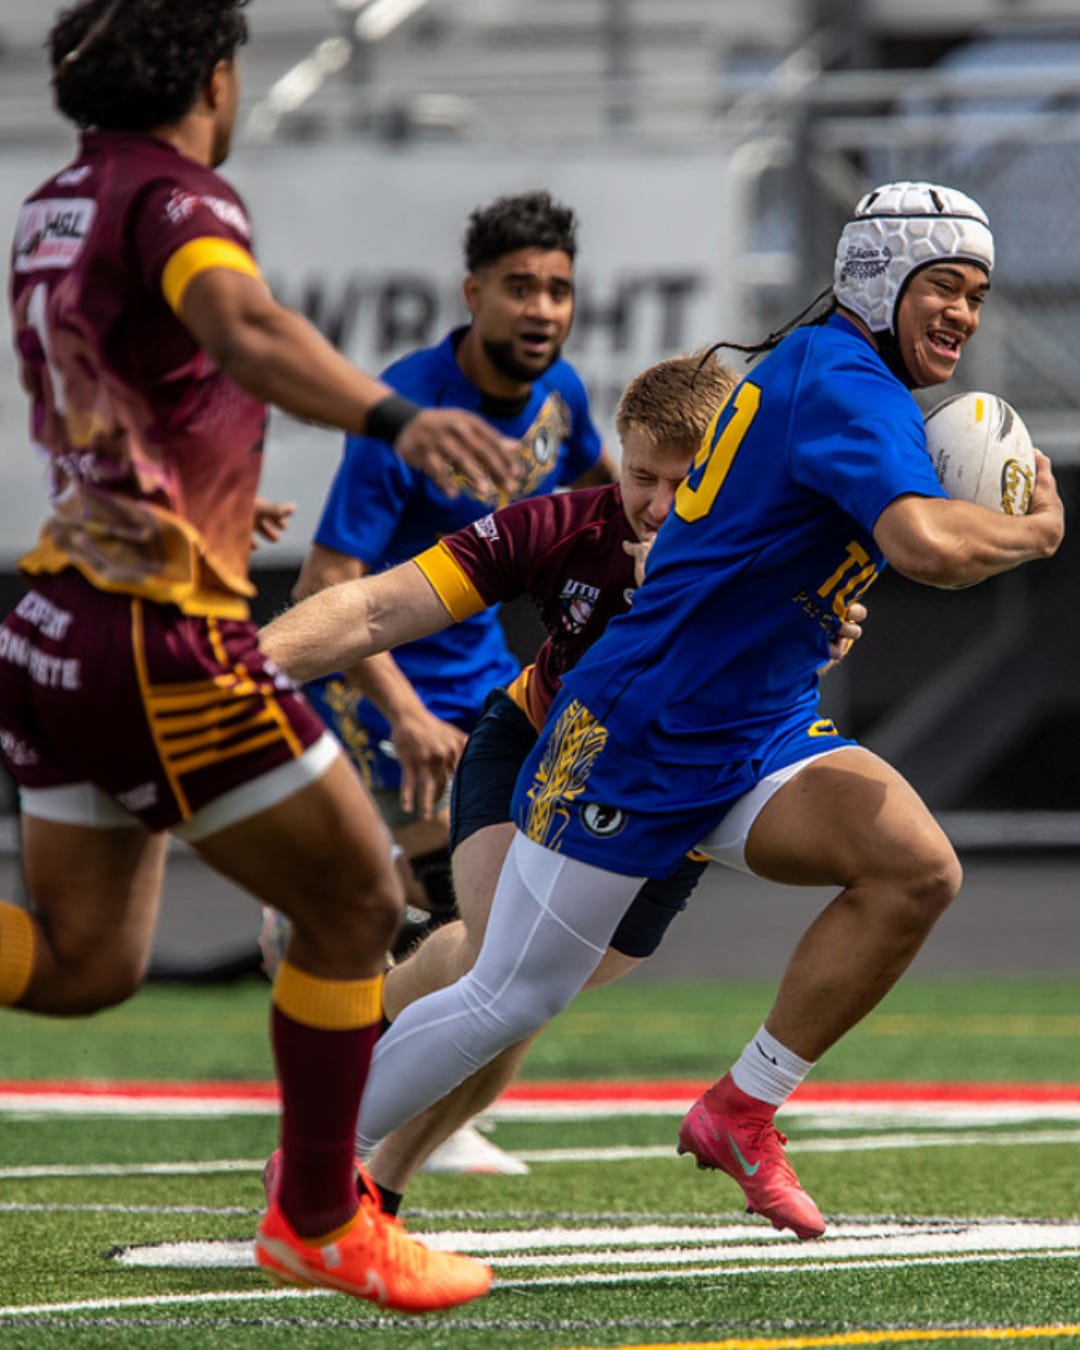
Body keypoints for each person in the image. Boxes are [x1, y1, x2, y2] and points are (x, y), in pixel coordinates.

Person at [337, 181, 1064, 1240]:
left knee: (915, 869)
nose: (964, 312)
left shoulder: (838, 378)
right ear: (878, 278)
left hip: (752, 727)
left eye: (978, 295)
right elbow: (925, 547)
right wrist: (1036, 533)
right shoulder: (845, 385)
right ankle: (317, 1168)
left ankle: (742, 1108)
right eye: (944, 285)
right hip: (648, 728)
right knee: (511, 995)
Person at [0, 0, 522, 1312]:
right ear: (214, 78)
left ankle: (317, 1212)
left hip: (54, 624)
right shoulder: (176, 194)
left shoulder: (57, 204)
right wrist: (398, 416)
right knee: (355, 899)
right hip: (156, 636)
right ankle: (318, 1216)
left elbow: (136, 389)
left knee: (83, 963)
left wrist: (216, 496)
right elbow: (241, 327)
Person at [259, 351, 865, 1212]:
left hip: (681, 795)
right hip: (539, 748)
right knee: (502, 971)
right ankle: (351, 1117)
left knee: (528, 991)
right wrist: (228, 673)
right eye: (641, 477)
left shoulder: (786, 551)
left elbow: (831, 620)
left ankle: (377, 1177)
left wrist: (813, 628)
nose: (658, 505)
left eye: (685, 482)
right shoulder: (563, 528)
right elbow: (373, 607)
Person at [292, 188, 614, 986]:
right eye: (519, 287)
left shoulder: (561, 394)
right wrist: (406, 714)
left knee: (512, 910)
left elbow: (611, 494)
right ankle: (336, 925)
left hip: (484, 681)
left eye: (558, 290)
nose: (542, 309)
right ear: (474, 293)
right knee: (464, 909)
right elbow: (321, 583)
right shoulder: (410, 412)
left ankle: (335, 910)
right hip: (382, 694)